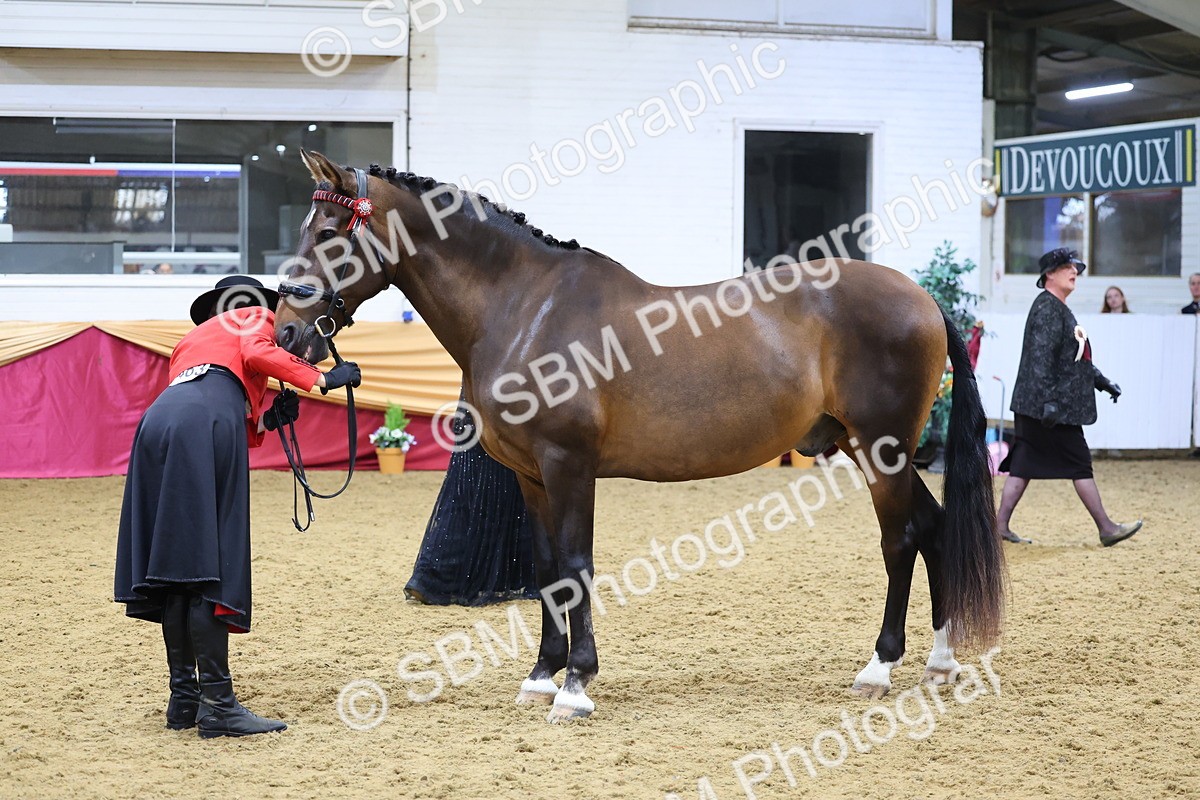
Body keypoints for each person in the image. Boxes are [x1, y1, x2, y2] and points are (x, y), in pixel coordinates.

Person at [114, 275, 361, 738]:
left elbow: (218, 408)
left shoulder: (194, 341)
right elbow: (251, 360)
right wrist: (322, 378)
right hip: (202, 422)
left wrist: (268, 418)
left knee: (177, 568)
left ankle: (184, 699)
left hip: (161, 423)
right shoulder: (252, 319)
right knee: (209, 561)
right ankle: (219, 705)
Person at [996, 248, 1142, 547]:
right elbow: (1040, 358)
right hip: (1049, 407)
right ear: (1050, 274)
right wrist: (1049, 400)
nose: (1074, 271)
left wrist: (1101, 382)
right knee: (1078, 462)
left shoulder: (1058, 308)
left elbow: (1073, 358)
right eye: (1067, 268)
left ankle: (999, 526)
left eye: (1075, 268)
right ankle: (1106, 527)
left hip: (1041, 404)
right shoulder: (1049, 308)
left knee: (1024, 463)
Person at [404, 405, 538, 606]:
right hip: (490, 400)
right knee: (471, 478)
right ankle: (441, 573)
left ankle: (443, 573)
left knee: (505, 481)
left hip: (503, 402)